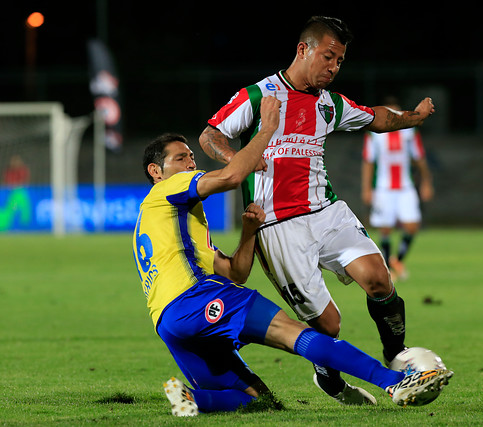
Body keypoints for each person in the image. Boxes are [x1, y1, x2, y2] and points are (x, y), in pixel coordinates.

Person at [132, 96, 452, 416]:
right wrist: (268, 128)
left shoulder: (164, 225)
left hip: (169, 324)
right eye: (180, 158)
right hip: (196, 298)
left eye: (190, 157)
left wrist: (249, 232)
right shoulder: (167, 190)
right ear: (156, 171)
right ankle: (394, 381)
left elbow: (234, 273)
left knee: (259, 400)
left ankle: (192, 399)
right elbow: (230, 177)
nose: (191, 163)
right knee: (292, 334)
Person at [198, 16, 437, 405]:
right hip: (277, 227)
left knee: (379, 278)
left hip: (326, 212)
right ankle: (329, 377)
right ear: (303, 50)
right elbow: (211, 134)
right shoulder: (260, 96)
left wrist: (413, 117)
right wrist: (236, 158)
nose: (333, 67)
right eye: (328, 57)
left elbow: (375, 117)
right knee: (328, 324)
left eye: (340, 61)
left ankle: (397, 355)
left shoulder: (328, 104)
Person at [361, 96, 434, 281]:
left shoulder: (409, 132)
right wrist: (367, 188)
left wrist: (426, 181)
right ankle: (388, 269)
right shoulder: (374, 133)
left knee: (412, 226)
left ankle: (397, 260)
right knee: (385, 229)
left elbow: (419, 158)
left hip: (405, 187)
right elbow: (368, 162)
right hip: (383, 187)